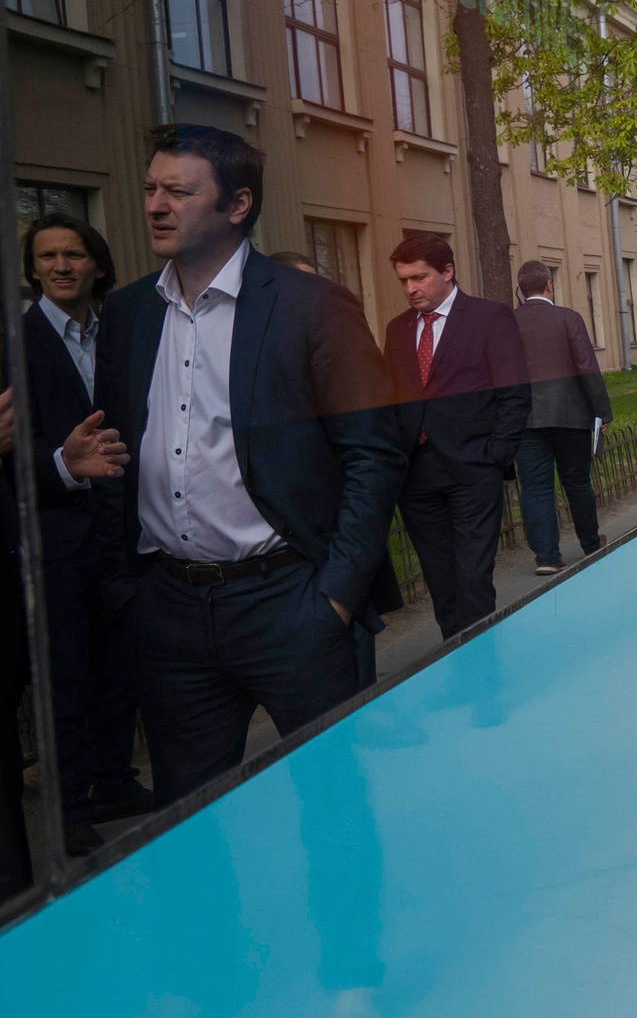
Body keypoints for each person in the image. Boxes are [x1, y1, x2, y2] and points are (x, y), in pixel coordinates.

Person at [94, 126, 407, 802]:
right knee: (191, 819)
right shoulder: (126, 314)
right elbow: (113, 450)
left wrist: (334, 597)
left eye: (177, 191)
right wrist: (130, 593)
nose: (155, 204)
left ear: (237, 206)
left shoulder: (310, 306)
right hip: (169, 610)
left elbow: (373, 453)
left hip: (290, 602)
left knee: (334, 805)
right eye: (150, 188)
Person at [19, 213, 145, 831]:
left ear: (97, 264)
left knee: (121, 671)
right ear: (33, 268)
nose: (61, 266)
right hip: (55, 541)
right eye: (47, 257)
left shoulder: (120, 334)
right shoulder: (15, 345)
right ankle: (68, 814)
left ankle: (116, 784)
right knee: (66, 684)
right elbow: (8, 456)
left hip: (123, 534)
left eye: (73, 254)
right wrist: (63, 466)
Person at [382, 234, 529, 639]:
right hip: (416, 475)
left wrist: (495, 455)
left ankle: (484, 667)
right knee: (440, 580)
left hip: (473, 468)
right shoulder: (397, 330)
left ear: (447, 272)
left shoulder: (489, 318)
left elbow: (514, 393)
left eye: (420, 277)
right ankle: (455, 656)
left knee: (473, 578)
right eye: (403, 280)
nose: (411, 288)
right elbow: (391, 398)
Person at [513, 261, 614, 577]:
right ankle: (590, 543)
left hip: (526, 419)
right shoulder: (568, 318)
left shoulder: (506, 322)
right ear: (548, 285)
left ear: (520, 290)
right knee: (577, 481)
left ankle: (547, 556)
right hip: (572, 415)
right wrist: (602, 410)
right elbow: (586, 366)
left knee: (535, 487)